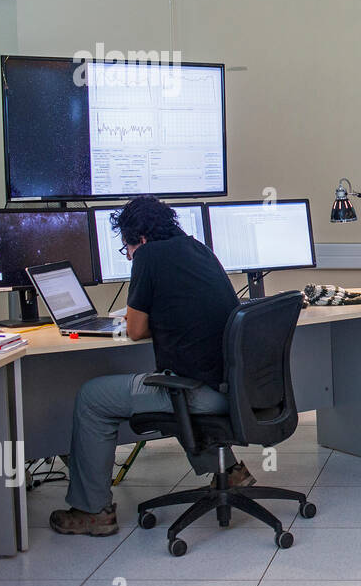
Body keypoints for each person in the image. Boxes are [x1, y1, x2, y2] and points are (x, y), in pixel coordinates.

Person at [50, 195, 250, 536]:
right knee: (178, 379)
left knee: (91, 396)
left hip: (200, 393)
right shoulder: (196, 248)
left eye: (126, 247)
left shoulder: (148, 257)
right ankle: (228, 471)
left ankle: (92, 512)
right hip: (231, 388)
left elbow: (136, 329)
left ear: (139, 239)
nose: (128, 255)